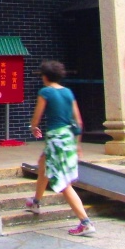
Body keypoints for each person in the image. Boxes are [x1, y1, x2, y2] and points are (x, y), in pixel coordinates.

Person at [26, 60, 96, 236]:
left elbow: (37, 116)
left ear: (45, 76)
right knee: (43, 163)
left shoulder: (45, 92)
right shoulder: (68, 92)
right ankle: (36, 202)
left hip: (55, 139)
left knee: (64, 183)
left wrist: (33, 127)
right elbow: (78, 121)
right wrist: (78, 144)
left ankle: (85, 222)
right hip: (68, 137)